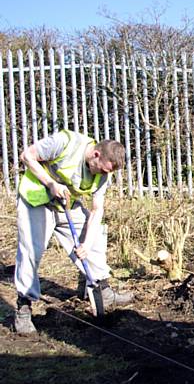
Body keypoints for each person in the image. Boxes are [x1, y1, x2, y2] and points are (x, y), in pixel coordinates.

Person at [14, 129, 134, 334]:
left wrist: (86, 245)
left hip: (65, 204)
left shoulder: (103, 175)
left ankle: (101, 288)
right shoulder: (65, 142)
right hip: (35, 200)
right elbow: (27, 156)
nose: (105, 174)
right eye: (103, 170)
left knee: (94, 237)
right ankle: (24, 307)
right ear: (96, 154)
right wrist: (51, 183)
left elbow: (97, 210)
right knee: (31, 251)